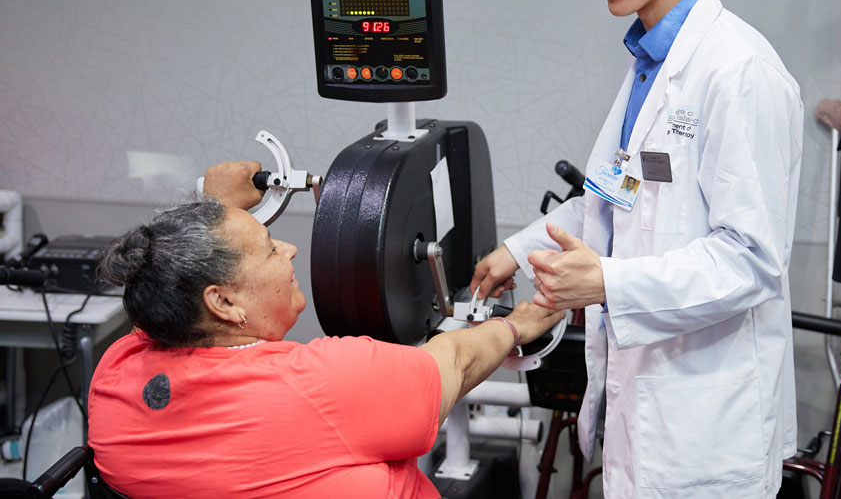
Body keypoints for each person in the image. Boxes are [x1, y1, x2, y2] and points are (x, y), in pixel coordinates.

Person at [471, 0, 803, 499]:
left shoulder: (738, 72)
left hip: (706, 433)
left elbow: (751, 258)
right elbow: (619, 196)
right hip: (644, 416)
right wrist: (518, 248)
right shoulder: (650, 67)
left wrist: (608, 285)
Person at [87, 160, 564, 499]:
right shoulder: (320, 383)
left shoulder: (118, 371)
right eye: (271, 248)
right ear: (223, 300)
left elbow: (162, 280)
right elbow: (454, 361)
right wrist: (516, 325)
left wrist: (215, 208)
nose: (290, 250)